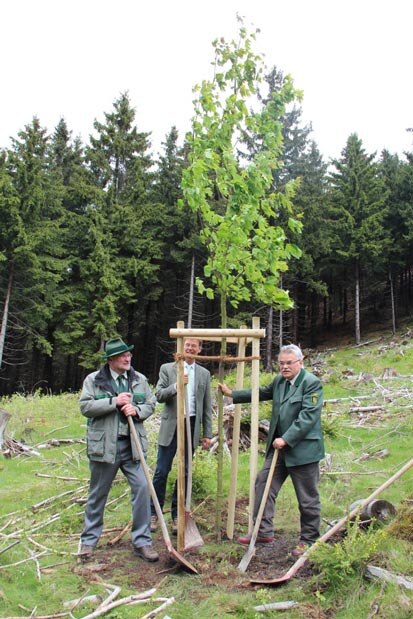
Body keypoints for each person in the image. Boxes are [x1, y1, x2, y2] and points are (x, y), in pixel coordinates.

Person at [219, 344, 324, 556]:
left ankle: (309, 539)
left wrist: (286, 439)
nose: (284, 367)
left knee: (307, 496)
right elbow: (262, 392)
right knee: (263, 483)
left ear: (300, 363)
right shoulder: (279, 381)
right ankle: (263, 531)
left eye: (289, 363)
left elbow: (308, 417)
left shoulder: (311, 383)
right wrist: (233, 394)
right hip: (279, 449)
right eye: (282, 363)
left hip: (302, 451)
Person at [78, 337, 159, 563]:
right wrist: (114, 401)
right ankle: (88, 541)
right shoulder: (94, 380)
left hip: (133, 445)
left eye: (129, 355)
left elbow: (151, 404)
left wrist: (137, 409)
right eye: (123, 355)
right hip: (105, 447)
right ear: (111, 359)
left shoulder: (139, 380)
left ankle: (142, 541)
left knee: (143, 488)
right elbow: (85, 407)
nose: (128, 358)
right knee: (98, 494)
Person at [151, 338, 212, 533]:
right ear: (181, 347)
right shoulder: (168, 369)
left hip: (192, 424)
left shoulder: (204, 374)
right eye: (187, 344)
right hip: (172, 425)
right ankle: (154, 513)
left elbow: (206, 406)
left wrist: (206, 434)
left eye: (194, 345)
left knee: (185, 473)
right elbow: (159, 395)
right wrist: (176, 386)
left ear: (200, 349)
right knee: (161, 471)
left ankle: (178, 516)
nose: (190, 348)